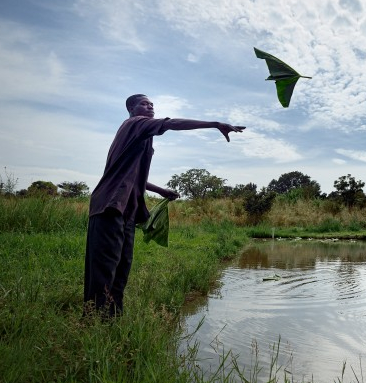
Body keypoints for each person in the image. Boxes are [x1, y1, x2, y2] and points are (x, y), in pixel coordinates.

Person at [84, 94, 245, 317]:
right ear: (131, 108)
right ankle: (93, 319)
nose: (150, 107)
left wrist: (162, 191)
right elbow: (170, 123)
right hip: (109, 206)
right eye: (144, 103)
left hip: (127, 210)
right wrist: (215, 124)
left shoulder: (141, 137)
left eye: (152, 104)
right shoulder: (134, 124)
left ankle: (112, 319)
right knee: (104, 269)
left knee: (122, 268)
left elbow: (134, 176)